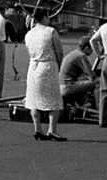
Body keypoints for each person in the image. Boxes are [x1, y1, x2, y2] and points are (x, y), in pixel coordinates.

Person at [23, 8, 66, 141]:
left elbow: (28, 50)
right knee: (54, 99)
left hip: (33, 66)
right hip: (47, 65)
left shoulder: (29, 34)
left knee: (34, 98)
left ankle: (38, 128)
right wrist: (58, 64)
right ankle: (52, 129)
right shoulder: (51, 32)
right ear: (45, 17)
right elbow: (59, 51)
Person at [59, 35, 98, 109]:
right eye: (92, 49)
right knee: (97, 82)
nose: (93, 51)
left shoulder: (74, 53)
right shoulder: (81, 56)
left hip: (62, 85)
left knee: (84, 82)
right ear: (86, 48)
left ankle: (84, 102)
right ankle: (97, 105)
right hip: (67, 87)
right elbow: (91, 76)